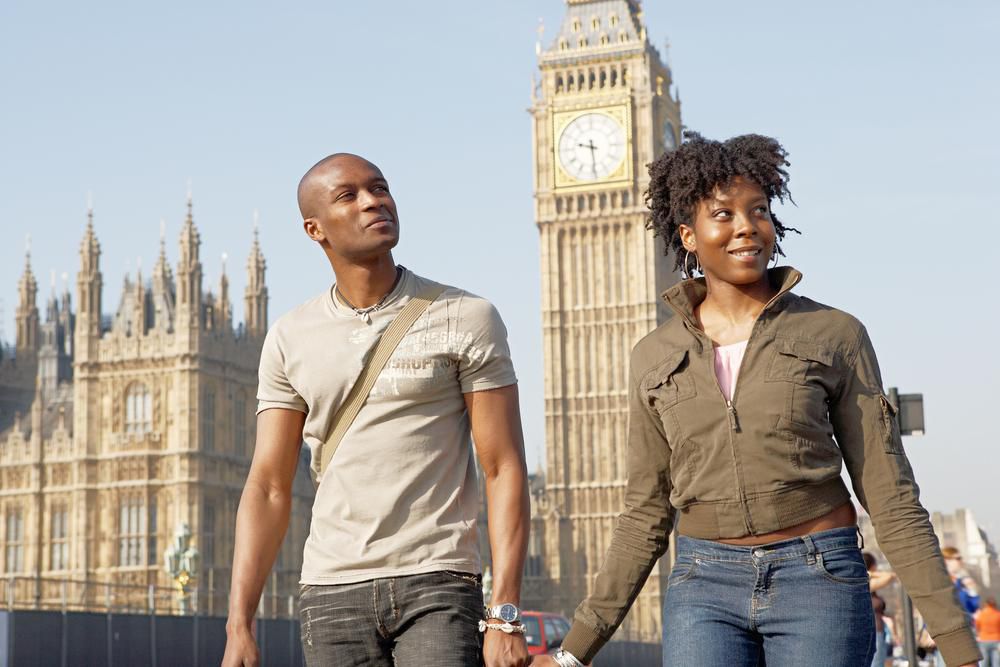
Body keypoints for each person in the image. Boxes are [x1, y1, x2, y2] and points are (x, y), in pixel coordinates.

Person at [534, 132, 981, 667]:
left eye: (759, 210)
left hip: (819, 577)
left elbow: (891, 499)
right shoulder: (654, 355)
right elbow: (644, 514)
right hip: (703, 582)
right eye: (722, 214)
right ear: (688, 235)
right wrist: (573, 652)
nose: (746, 225)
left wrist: (957, 645)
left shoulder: (833, 333)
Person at [222, 153, 531, 667]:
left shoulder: (466, 316)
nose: (373, 201)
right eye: (350, 195)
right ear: (314, 229)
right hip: (331, 590)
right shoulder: (289, 337)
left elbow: (502, 467)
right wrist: (240, 623)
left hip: (438, 580)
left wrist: (505, 612)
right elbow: (269, 486)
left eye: (380, 188)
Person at [864, 551, 895, 667]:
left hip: (879, 631)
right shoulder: (867, 585)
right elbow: (890, 576)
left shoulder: (870, 586)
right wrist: (870, 573)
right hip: (873, 633)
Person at [976, 598, 1000, 667]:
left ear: (985, 605)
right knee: (996, 662)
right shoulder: (998, 615)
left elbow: (977, 626)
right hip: (997, 640)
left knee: (984, 662)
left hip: (984, 639)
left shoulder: (981, 615)